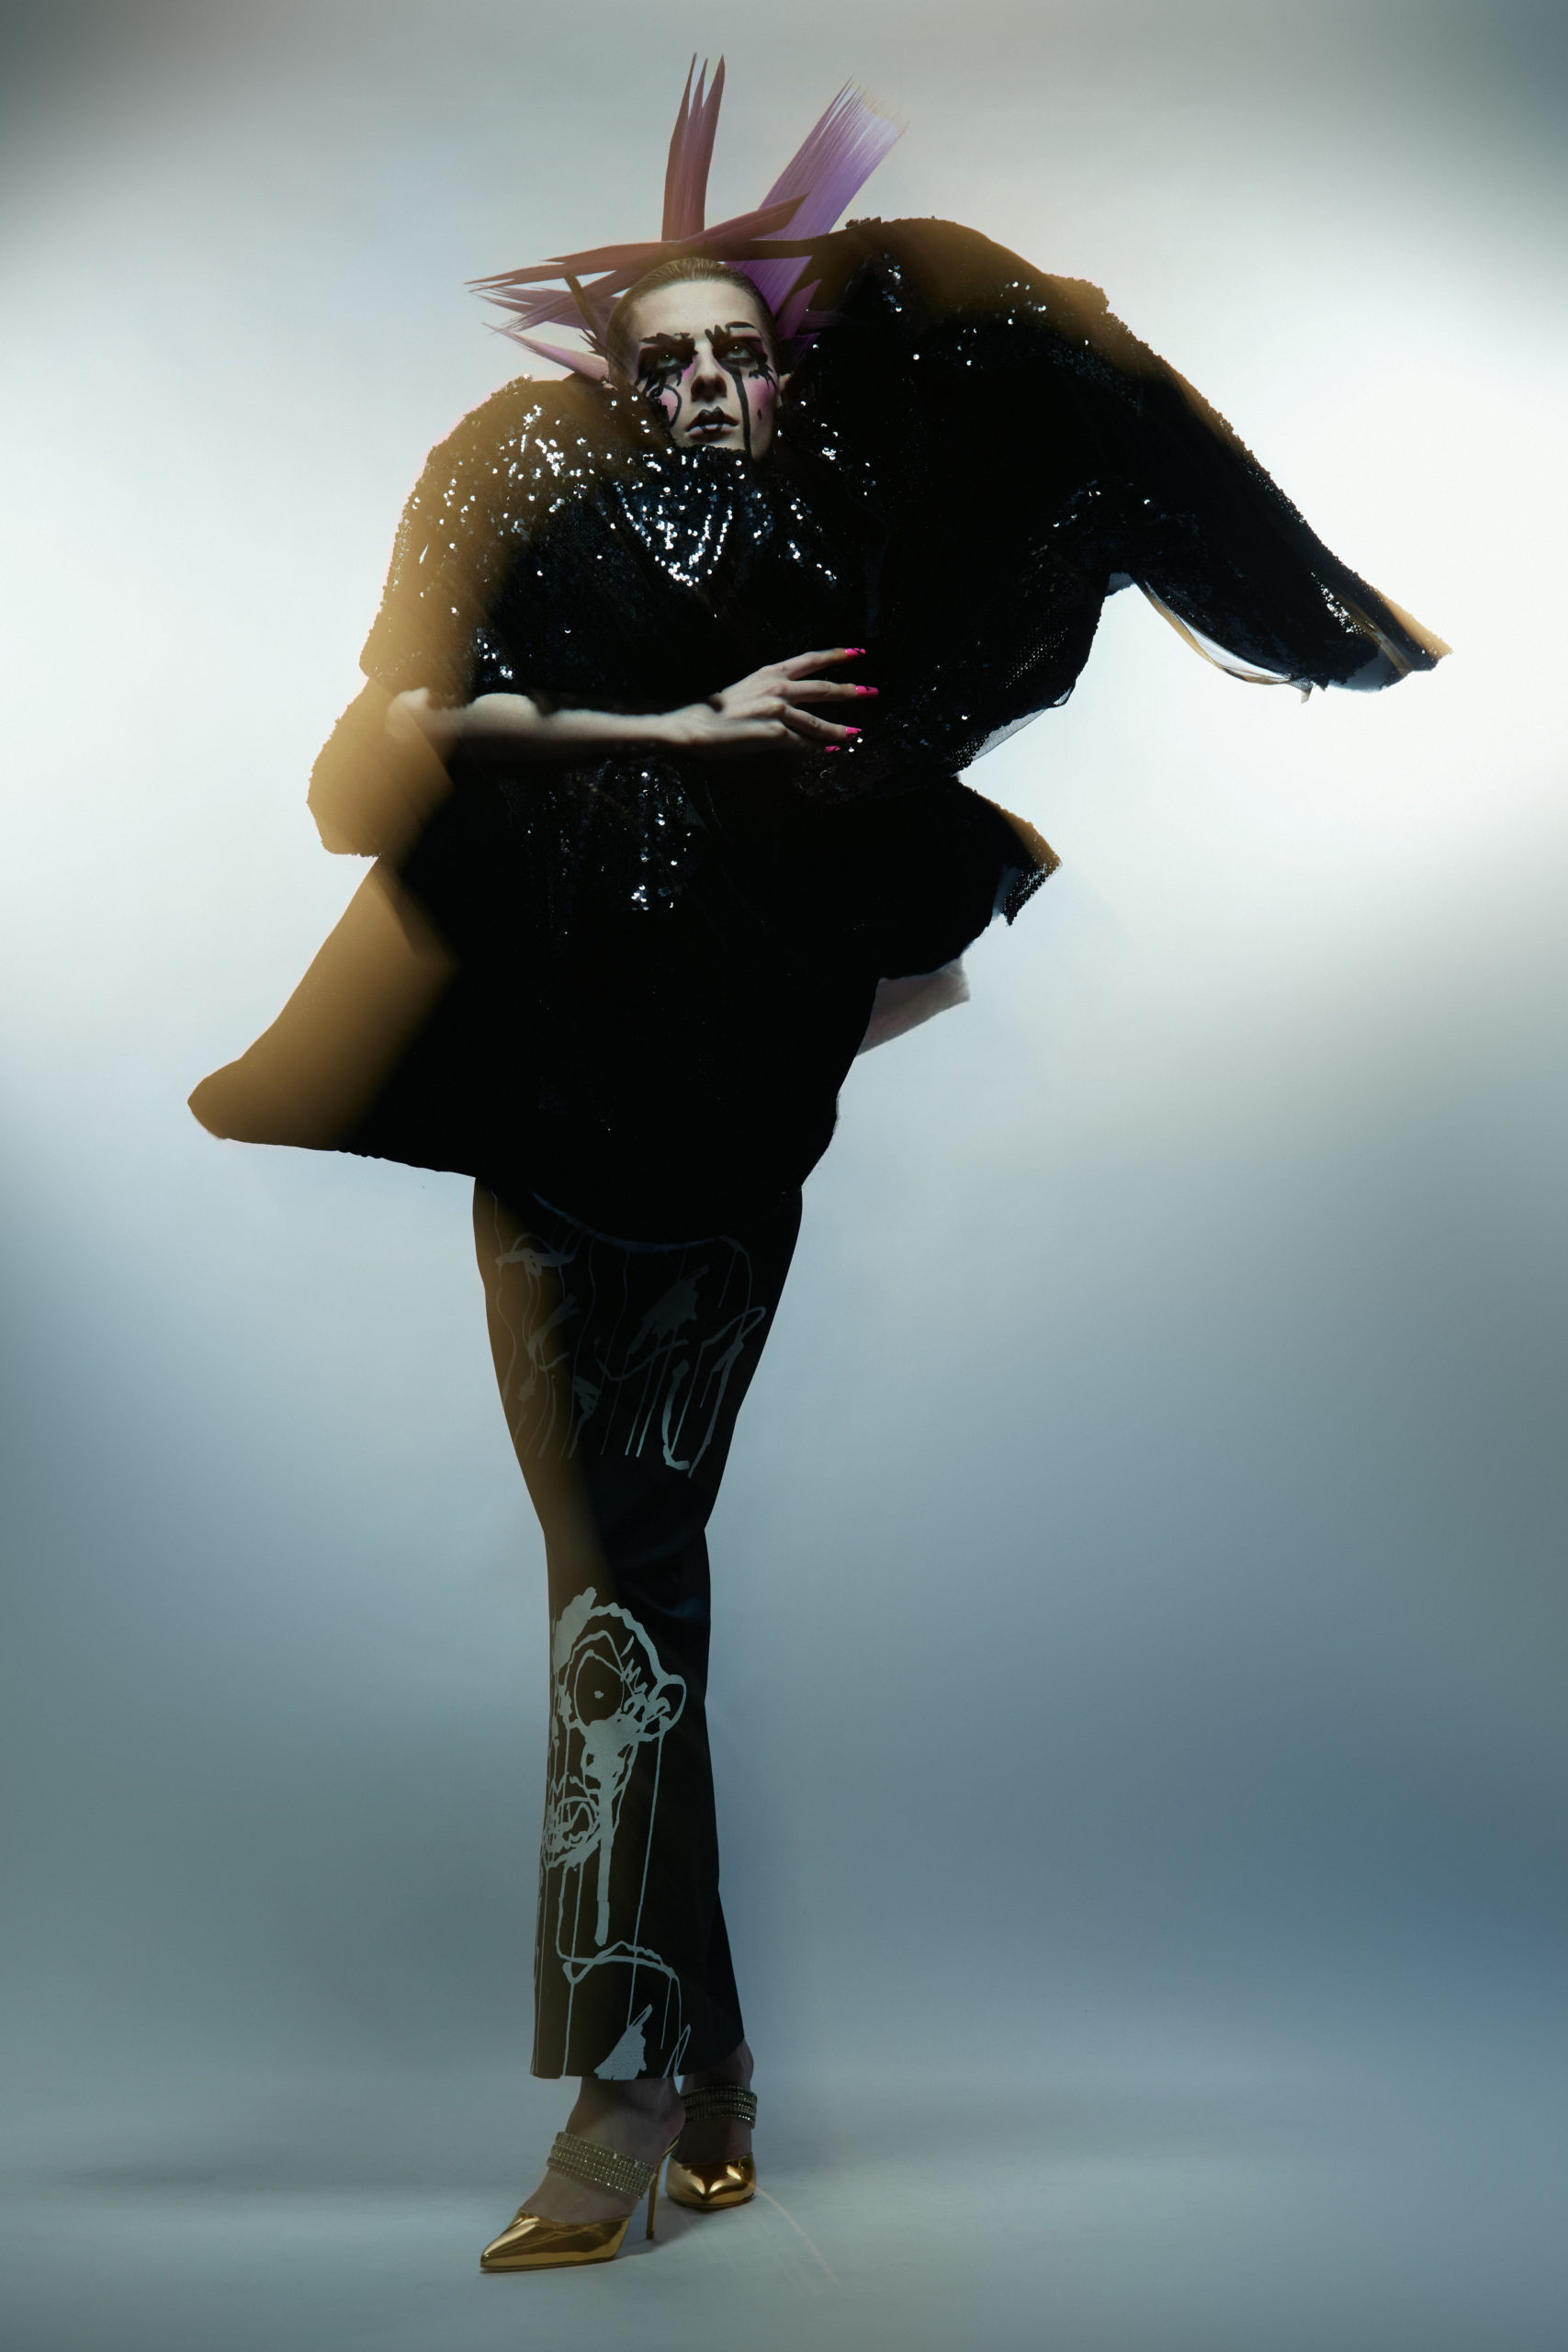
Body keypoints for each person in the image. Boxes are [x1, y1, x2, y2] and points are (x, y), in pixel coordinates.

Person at [190, 61, 1446, 2273]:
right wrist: (652, 733)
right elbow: (358, 773)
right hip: (536, 1102)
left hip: (717, 1134)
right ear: (611, 375)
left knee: (622, 1570)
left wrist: (787, 999)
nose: (700, 385)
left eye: (735, 356)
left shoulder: (848, 576)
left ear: (777, 379)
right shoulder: (520, 498)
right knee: (618, 1567)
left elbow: (904, 881)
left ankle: (622, 2084)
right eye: (660, 356)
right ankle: (707, 2068)